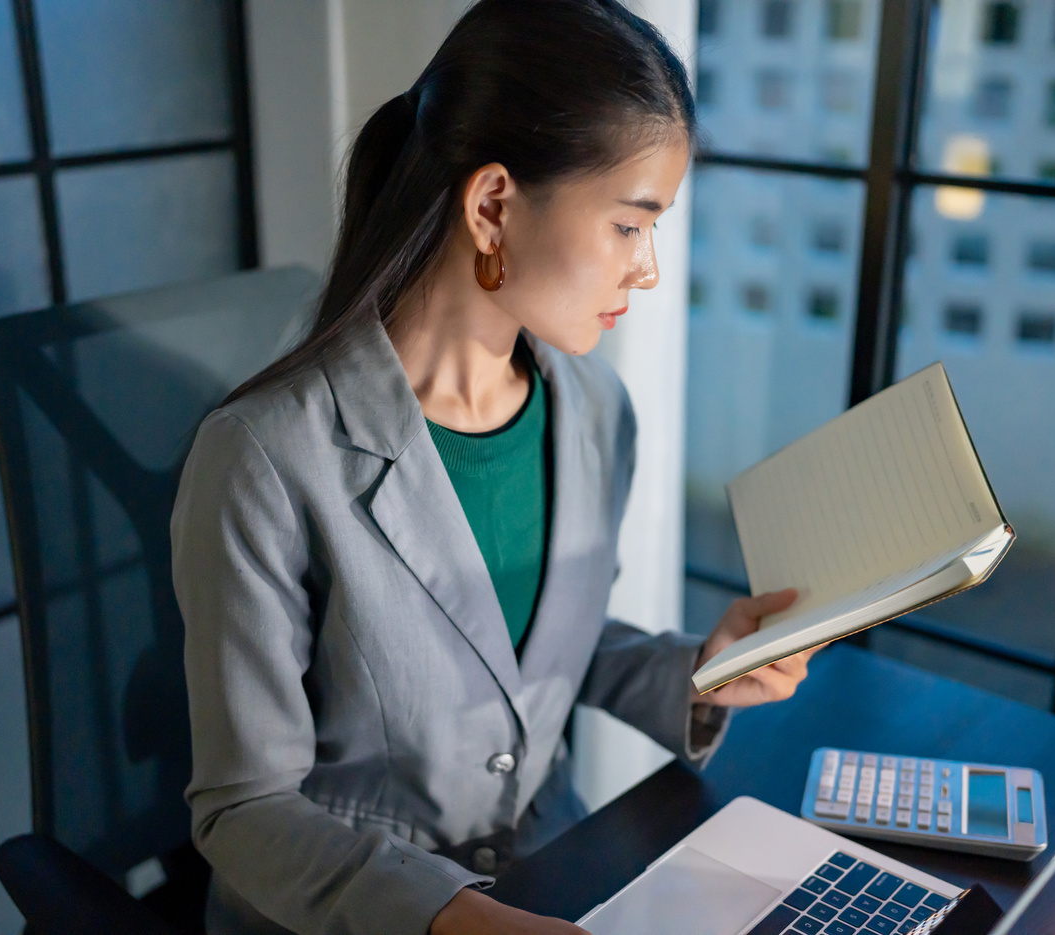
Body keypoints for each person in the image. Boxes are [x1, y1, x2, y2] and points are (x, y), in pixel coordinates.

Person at [170, 2, 813, 932]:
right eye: (631, 227)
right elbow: (244, 810)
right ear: (493, 206)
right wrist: (461, 921)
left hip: (552, 869)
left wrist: (704, 673)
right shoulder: (265, 458)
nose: (648, 272)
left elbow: (537, 649)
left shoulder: (595, 413)